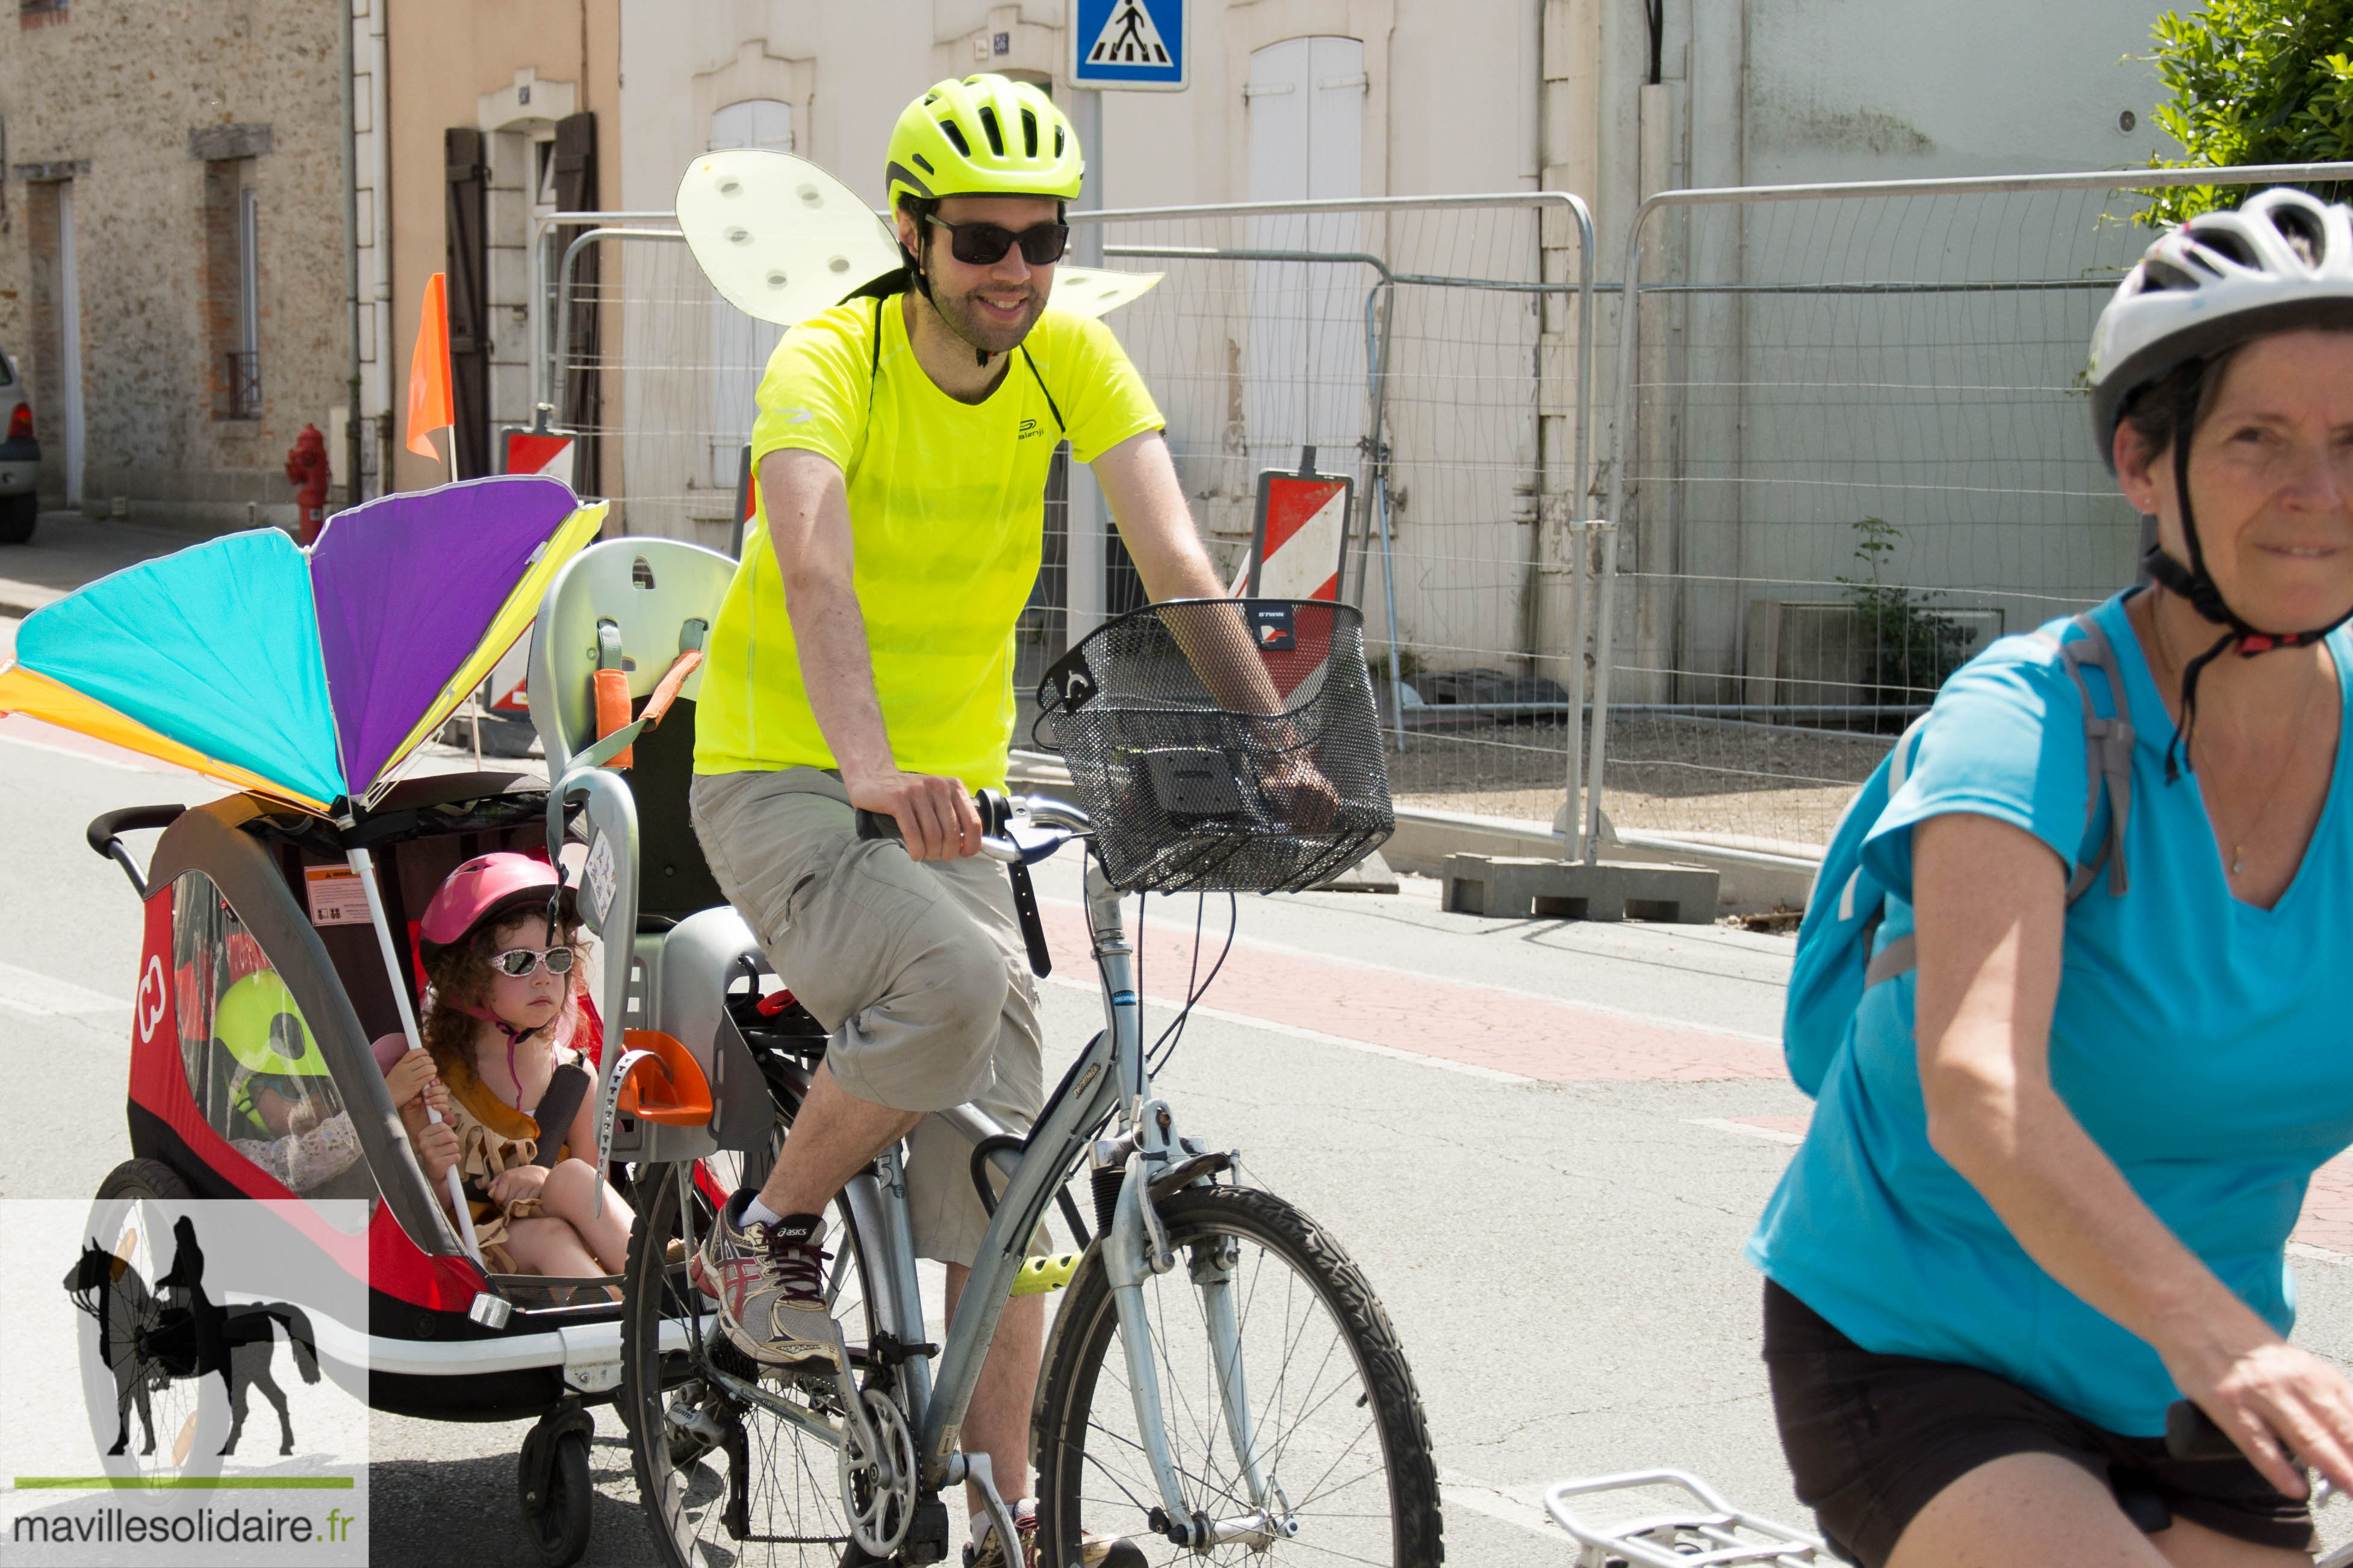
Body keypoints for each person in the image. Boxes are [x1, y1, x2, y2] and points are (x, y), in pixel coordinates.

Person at [1747, 186, 2353, 1568]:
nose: (2319, 493)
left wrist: (2223, 1353)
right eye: (2259, 437)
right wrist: (2225, 1348)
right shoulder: (2027, 718)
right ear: (2144, 462)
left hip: (2201, 1370)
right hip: (1916, 1344)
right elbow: (1979, 1085)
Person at [686, 73, 1223, 1567]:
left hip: (944, 790)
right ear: (912, 235)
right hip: (783, 774)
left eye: (1042, 240)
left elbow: (1172, 549)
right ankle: (764, 1233)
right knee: (960, 981)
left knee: (1020, 1175)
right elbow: (810, 570)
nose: (1016, 272)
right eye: (982, 239)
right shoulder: (830, 357)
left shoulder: (1069, 358)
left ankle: (1012, 1518)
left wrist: (1271, 737)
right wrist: (862, 761)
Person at [375, 852, 633, 1283]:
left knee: (571, 1179)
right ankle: (620, 1336)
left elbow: (596, 1199)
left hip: (570, 1245)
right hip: (471, 1261)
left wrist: (540, 1177)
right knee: (550, 1234)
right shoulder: (428, 1078)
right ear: (468, 978)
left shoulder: (574, 1080)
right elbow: (420, 1213)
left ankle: (661, 1279)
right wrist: (434, 1170)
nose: (543, 978)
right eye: (518, 962)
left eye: (557, 959)